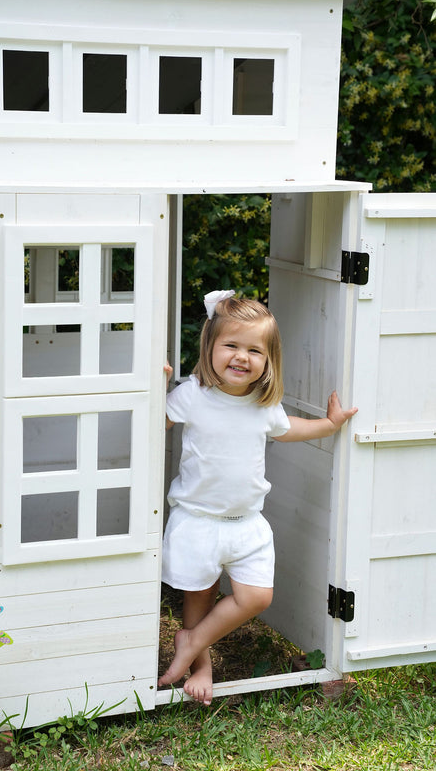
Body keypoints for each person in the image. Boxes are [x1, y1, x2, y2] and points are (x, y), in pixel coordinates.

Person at [158, 289, 358, 705]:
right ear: (210, 346)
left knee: (257, 597)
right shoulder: (193, 394)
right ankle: (201, 666)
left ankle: (190, 641)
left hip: (247, 522)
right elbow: (156, 420)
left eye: (254, 350)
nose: (241, 357)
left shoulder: (261, 404)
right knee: (200, 595)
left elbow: (290, 428)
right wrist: (153, 386)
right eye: (231, 345)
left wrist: (328, 424)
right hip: (197, 519)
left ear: (268, 361)